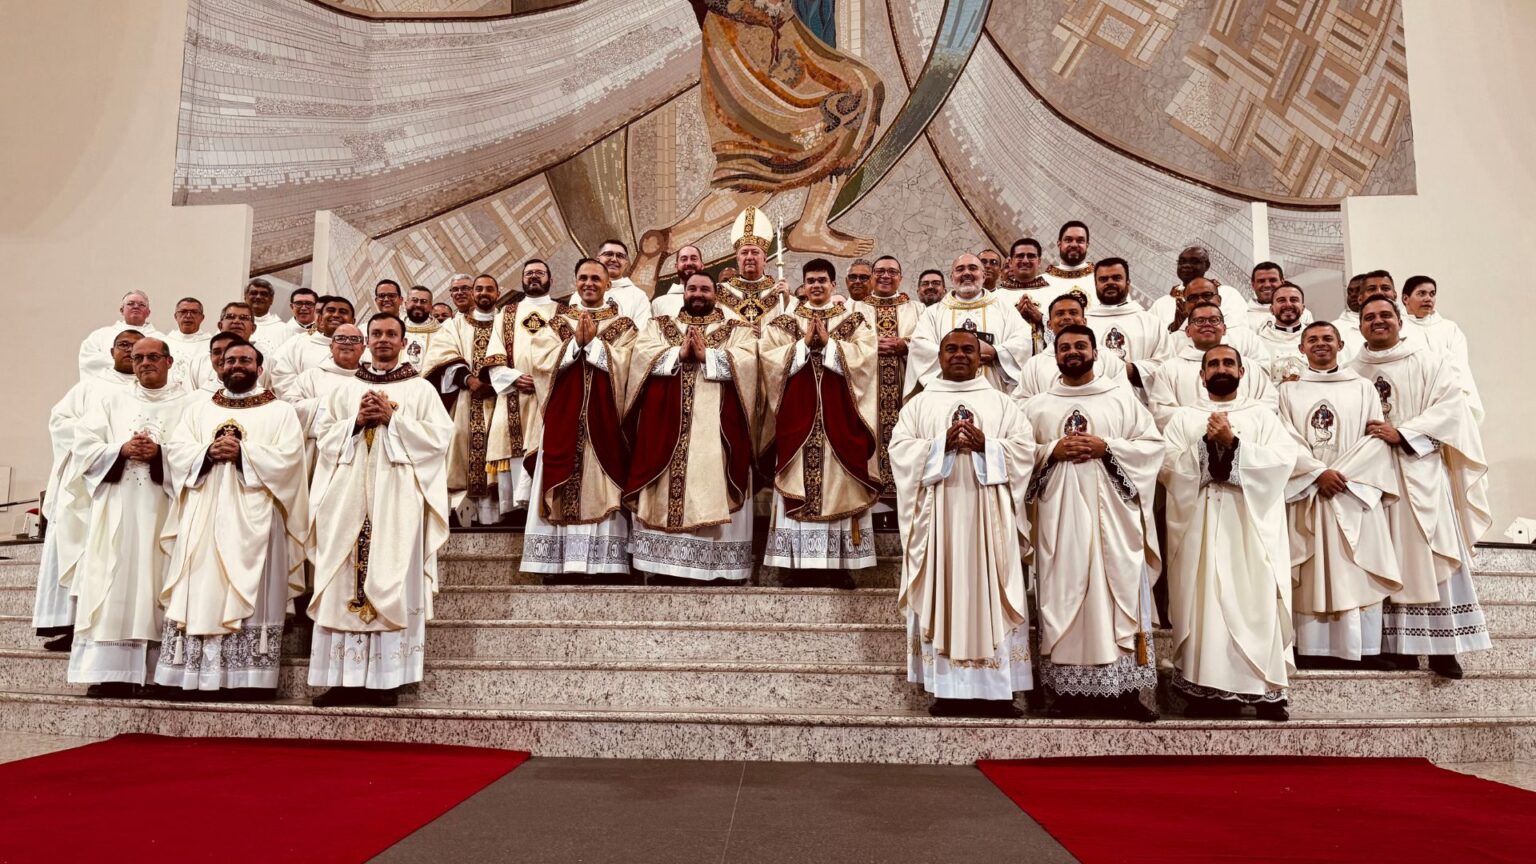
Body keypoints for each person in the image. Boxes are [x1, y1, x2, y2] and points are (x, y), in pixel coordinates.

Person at [307, 314, 452, 707]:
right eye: (377, 334)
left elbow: (440, 440)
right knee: (342, 580)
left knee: (390, 577)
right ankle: (342, 680)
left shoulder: (420, 390)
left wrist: (394, 419)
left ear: (404, 342)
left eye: (391, 334)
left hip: (397, 499)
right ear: (366, 341)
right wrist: (355, 421)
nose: (383, 340)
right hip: (347, 497)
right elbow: (322, 438)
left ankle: (387, 680)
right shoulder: (342, 390)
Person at [892, 329, 1036, 718]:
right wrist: (942, 445)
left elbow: (1025, 451)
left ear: (981, 356)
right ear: (938, 357)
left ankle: (998, 692)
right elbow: (900, 452)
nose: (959, 355)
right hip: (938, 522)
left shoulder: (1003, 404)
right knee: (944, 592)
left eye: (967, 350)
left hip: (991, 523)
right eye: (951, 349)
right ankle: (948, 690)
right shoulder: (919, 405)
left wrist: (986, 444)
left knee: (992, 593)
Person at [1023, 324, 1162, 721]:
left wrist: (1108, 448)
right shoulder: (1037, 406)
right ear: (1055, 355)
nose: (1072, 352)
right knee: (1063, 596)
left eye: (1080, 345)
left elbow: (1153, 449)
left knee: (1118, 595)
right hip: (1059, 520)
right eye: (1064, 346)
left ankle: (1128, 691)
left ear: (1096, 351)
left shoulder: (1122, 400)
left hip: (1114, 522)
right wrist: (1051, 450)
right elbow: (1018, 458)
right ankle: (1066, 692)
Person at [156, 339, 308, 697]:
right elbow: (176, 452)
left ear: (260, 367)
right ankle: (193, 675)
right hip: (204, 512)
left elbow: (290, 460)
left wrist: (245, 453)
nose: (236, 365)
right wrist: (206, 452)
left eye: (245, 360)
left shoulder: (280, 411)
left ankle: (248, 678)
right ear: (218, 366)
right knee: (201, 586)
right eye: (229, 360)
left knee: (251, 588)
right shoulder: (198, 410)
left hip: (257, 517)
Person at [1351, 297, 1492, 678]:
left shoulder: (1429, 360)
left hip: (1421, 470)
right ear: (1359, 324)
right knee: (1386, 558)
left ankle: (1445, 649)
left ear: (1400, 319)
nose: (1378, 322)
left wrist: (1405, 433)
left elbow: (1452, 409)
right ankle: (1400, 648)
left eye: (1385, 315)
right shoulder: (1351, 370)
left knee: (1430, 556)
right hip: (1373, 478)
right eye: (1369, 317)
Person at [1160, 345, 1297, 720]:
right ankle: (1205, 691)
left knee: (1254, 601)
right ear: (1201, 376)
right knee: (1206, 603)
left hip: (1249, 529)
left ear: (1242, 371)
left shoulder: (1263, 416)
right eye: (1213, 364)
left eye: (1228, 363)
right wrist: (1207, 445)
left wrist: (1234, 444)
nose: (1221, 369)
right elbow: (1169, 466)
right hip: (1200, 526)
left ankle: (1263, 690)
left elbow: (1284, 461)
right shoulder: (1183, 418)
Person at [66, 337, 194, 697]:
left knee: (161, 580)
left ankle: (161, 673)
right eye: (138, 358)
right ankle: (111, 672)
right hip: (119, 505)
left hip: (167, 508)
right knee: (114, 579)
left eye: (153, 357)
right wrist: (119, 449)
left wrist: (160, 454)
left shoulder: (191, 402)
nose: (144, 363)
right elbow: (83, 447)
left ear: (170, 362)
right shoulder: (109, 400)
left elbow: (196, 452)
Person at [1279, 322, 1404, 669]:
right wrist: (1318, 473)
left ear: (1341, 344)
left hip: (1352, 490)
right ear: (1301, 348)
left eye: (1327, 339)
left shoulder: (1362, 388)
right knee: (1312, 567)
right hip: (1309, 491)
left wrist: (1342, 476)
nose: (1321, 344)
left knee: (1356, 567)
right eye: (1313, 340)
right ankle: (1311, 649)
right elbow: (1282, 438)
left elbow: (1376, 437)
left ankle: (1363, 650)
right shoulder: (1287, 392)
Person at [623, 273, 758, 584]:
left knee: (710, 485)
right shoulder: (660, 325)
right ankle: (665, 568)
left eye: (705, 289)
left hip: (715, 430)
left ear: (717, 293)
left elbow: (749, 361)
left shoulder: (736, 328)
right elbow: (640, 357)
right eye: (692, 289)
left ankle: (715, 569)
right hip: (663, 427)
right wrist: (677, 354)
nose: (698, 294)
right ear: (684, 292)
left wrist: (707, 356)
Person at [759, 258, 881, 587]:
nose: (816, 285)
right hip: (798, 425)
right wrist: (801, 346)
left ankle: (836, 567)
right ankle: (796, 566)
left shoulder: (852, 320)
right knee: (799, 487)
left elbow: (867, 358)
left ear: (833, 285)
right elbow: (767, 360)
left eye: (822, 280)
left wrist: (830, 345)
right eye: (810, 280)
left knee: (839, 489)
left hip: (838, 426)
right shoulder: (785, 321)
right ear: (804, 284)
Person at [521, 259, 638, 580]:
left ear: (608, 284)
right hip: (562, 420)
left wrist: (595, 345)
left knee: (602, 486)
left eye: (595, 278)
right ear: (575, 282)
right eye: (583, 277)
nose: (589, 283)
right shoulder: (557, 323)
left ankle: (604, 566)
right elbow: (539, 361)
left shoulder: (623, 324)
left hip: (604, 423)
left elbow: (632, 365)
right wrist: (575, 344)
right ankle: (557, 565)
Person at [34, 329, 143, 652]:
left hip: (128, 482)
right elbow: (59, 422)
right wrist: (101, 441)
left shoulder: (150, 390)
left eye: (137, 348)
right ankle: (70, 623)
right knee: (78, 550)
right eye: (124, 346)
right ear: (112, 352)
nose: (131, 352)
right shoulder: (89, 388)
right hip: (84, 480)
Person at [482, 260, 561, 519]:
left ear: (551, 278)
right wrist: (514, 377)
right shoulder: (506, 313)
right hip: (515, 392)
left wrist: (544, 380)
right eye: (529, 273)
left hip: (550, 395)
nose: (534, 277)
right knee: (512, 445)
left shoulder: (563, 311)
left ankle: (544, 503)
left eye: (540, 272)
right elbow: (493, 355)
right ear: (522, 280)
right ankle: (515, 509)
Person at [422, 274, 502, 525]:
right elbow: (440, 355)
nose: (483, 293)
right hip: (467, 400)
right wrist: (470, 380)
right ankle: (463, 514)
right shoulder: (453, 326)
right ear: (473, 294)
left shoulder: (506, 322)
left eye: (489, 289)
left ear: (497, 293)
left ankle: (501, 514)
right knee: (459, 442)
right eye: (479, 289)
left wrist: (499, 381)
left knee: (499, 449)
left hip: (503, 399)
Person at [907, 254, 1031, 393]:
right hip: (946, 392)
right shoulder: (933, 313)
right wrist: (955, 356)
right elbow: (919, 346)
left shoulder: (1004, 308)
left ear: (983, 276)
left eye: (973, 268)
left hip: (993, 392)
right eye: (960, 269)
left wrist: (996, 352)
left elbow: (1023, 340)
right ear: (952, 277)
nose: (966, 273)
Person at [1147, 301, 1276, 426]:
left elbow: (1269, 404)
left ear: (1224, 329)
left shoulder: (1249, 367)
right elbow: (1161, 412)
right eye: (1200, 321)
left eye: (1214, 320)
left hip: (1245, 439)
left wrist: (1234, 425)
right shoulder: (1169, 369)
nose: (1207, 324)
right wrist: (1210, 422)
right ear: (1187, 331)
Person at [858, 255, 921, 507]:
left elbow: (931, 344)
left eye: (892, 272)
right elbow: (844, 346)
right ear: (872, 276)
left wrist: (906, 344)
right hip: (868, 394)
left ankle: (907, 495)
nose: (885, 276)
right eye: (880, 271)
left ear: (901, 278)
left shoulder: (918, 309)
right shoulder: (855, 309)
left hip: (906, 390)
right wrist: (872, 345)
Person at [283, 323, 366, 470]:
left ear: (363, 348)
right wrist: (331, 406)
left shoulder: (370, 379)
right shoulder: (310, 377)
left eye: (354, 339)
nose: (347, 343)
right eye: (341, 338)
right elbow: (289, 409)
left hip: (360, 451)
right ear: (331, 346)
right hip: (319, 454)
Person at [1402, 275, 1483, 423]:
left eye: (1432, 294)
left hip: (1450, 403)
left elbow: (1459, 366)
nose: (1428, 299)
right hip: (1415, 405)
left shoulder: (1449, 328)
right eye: (1421, 293)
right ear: (1405, 299)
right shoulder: (1399, 329)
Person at [1013, 295, 1126, 398]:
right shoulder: (1034, 365)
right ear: (1049, 324)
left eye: (1073, 313)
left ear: (1084, 321)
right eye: (1060, 314)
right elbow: (1021, 402)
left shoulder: (1106, 357)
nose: (1067, 317)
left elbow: (1123, 396)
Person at [1083, 258, 1164, 380]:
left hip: (1139, 397)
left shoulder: (1152, 323)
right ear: (1095, 284)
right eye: (1103, 279)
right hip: (1094, 396)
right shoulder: (1083, 324)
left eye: (1116, 278)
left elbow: (1167, 365)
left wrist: (1131, 370)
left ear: (1128, 282)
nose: (1110, 283)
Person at [1150, 247, 1249, 335]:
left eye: (1194, 261)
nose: (1186, 265)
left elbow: (1238, 333)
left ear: (1207, 266)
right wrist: (1175, 327)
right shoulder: (1161, 304)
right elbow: (1152, 339)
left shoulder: (1229, 294)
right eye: (1182, 262)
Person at [715, 207, 790, 324]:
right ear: (737, 259)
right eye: (744, 252)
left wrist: (786, 303)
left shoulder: (779, 292)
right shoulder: (719, 292)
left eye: (755, 252)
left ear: (765, 258)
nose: (749, 257)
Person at [270, 295, 355, 395]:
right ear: (320, 318)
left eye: (343, 312)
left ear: (353, 321)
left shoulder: (362, 348)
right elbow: (282, 378)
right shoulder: (298, 343)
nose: (336, 315)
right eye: (330, 310)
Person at [78, 291, 162, 382]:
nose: (136, 306)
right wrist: (124, 368)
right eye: (130, 303)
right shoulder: (100, 336)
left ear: (148, 312)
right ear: (122, 310)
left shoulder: (161, 339)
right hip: (109, 387)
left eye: (141, 305)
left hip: (147, 391)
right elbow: (89, 362)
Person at [993, 238, 1052, 353]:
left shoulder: (1054, 293)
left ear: (1039, 261)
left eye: (1031, 256)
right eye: (1020, 256)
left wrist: (1041, 318)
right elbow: (991, 333)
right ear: (1011, 262)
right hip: (1007, 367)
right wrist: (1015, 318)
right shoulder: (995, 297)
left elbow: (1067, 332)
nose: (1025, 260)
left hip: (1046, 365)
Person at [1257, 283, 1309, 384]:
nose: (1288, 304)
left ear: (1303, 308)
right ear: (1271, 309)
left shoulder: (1316, 340)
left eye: (1294, 300)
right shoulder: (1258, 343)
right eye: (1281, 300)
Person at [596, 239, 653, 328]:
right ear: (598, 260)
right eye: (608, 254)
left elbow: (643, 334)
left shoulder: (638, 296)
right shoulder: (581, 294)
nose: (614, 259)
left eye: (620, 256)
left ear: (626, 264)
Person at [1041, 221, 1095, 305]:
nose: (1074, 245)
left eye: (1080, 241)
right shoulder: (1044, 282)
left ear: (1087, 245)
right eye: (1068, 240)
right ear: (1059, 243)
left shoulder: (1099, 279)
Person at [650, 245, 705, 320]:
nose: (688, 263)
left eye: (693, 259)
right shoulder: (658, 303)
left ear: (702, 265)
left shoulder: (717, 299)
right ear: (676, 266)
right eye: (684, 259)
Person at [398, 285, 440, 370]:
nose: (418, 305)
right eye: (414, 300)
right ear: (406, 304)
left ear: (431, 308)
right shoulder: (394, 328)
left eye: (424, 301)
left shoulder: (441, 332)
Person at [243, 279, 289, 356]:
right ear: (245, 298)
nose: (258, 297)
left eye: (263, 294)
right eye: (254, 293)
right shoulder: (233, 325)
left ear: (271, 300)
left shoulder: (285, 330)